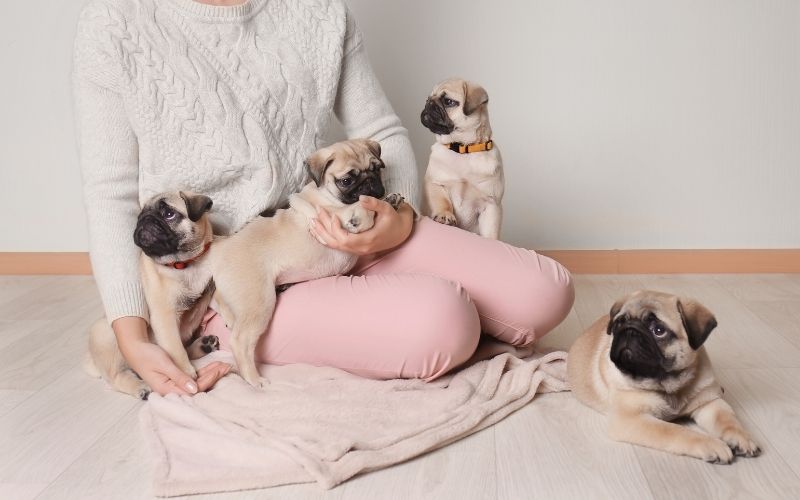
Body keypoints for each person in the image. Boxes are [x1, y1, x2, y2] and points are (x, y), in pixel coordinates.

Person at [73, 0, 574, 396]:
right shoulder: (114, 22)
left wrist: (397, 218)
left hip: (347, 228)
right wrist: (135, 338)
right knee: (447, 323)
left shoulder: (320, 11)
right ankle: (225, 335)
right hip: (236, 272)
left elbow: (382, 130)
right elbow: (110, 192)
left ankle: (373, 304)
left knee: (546, 291)